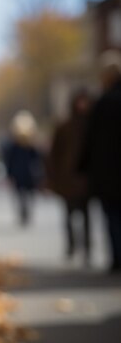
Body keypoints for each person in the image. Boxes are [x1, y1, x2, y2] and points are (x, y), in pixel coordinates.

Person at [79, 50, 121, 273]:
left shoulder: (103, 103)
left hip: (107, 172)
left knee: (112, 215)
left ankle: (117, 257)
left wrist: (83, 166)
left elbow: (91, 139)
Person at [47, 89, 92, 264]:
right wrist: (53, 176)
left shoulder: (91, 126)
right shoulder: (64, 126)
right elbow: (54, 154)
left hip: (85, 178)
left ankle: (87, 247)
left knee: (86, 214)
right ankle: (72, 245)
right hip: (66, 178)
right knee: (68, 214)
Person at [3, 110, 43, 226]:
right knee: (23, 196)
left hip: (23, 174)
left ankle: (25, 213)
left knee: (24, 195)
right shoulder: (18, 146)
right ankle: (24, 213)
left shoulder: (24, 146)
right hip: (24, 174)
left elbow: (36, 159)